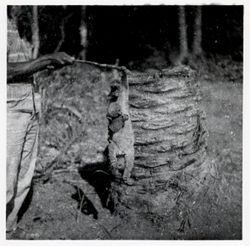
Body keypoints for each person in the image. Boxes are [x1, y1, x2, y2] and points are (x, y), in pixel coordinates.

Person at [6, 6, 74, 238]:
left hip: (29, 108)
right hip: (8, 110)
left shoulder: (16, 28)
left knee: (23, 176)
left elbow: (21, 69)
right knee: (5, 177)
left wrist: (44, 64)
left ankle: (8, 228)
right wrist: (46, 58)